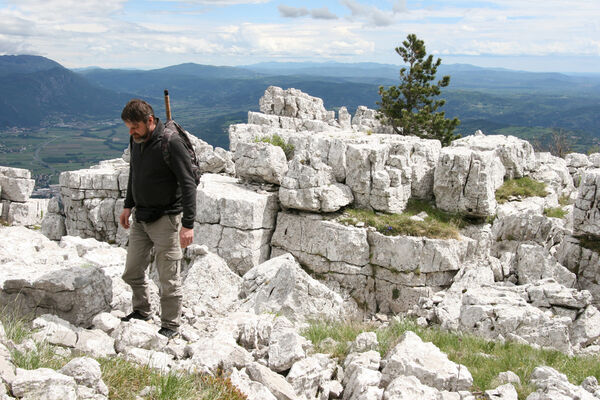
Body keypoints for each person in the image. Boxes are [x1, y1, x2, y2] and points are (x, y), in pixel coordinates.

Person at [118, 99, 196, 339]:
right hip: (141, 216)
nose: (131, 132)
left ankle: (170, 325)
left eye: (135, 127)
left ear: (150, 121)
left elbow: (188, 183)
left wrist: (188, 225)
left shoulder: (170, 143)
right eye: (129, 128)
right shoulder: (137, 140)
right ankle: (142, 310)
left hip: (166, 219)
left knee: (168, 277)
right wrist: (128, 205)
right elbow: (135, 173)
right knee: (131, 271)